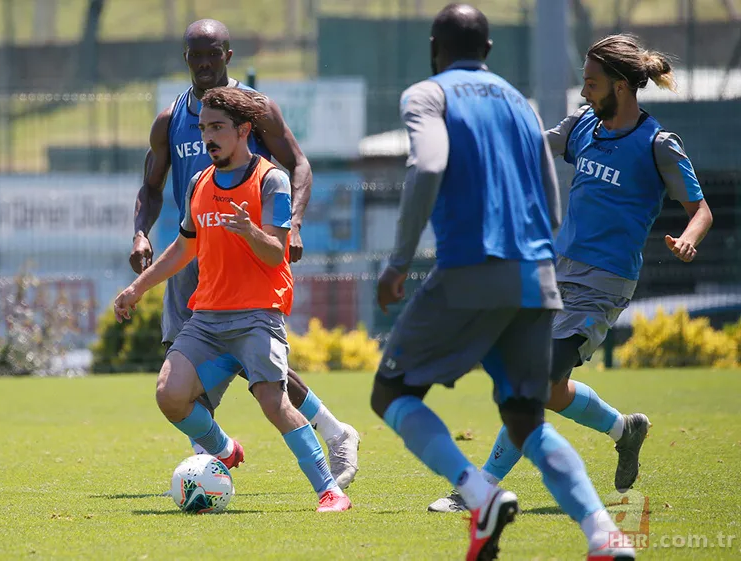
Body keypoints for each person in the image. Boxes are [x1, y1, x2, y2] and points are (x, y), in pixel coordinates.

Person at [370, 4, 635, 560]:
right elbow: (550, 193)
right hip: (537, 275)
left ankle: (479, 495)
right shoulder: (519, 101)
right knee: (526, 419)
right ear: (488, 51)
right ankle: (603, 534)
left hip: (470, 270)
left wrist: (398, 263)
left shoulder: (428, 94)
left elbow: (428, 166)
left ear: (434, 48)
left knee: (391, 392)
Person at [429, 33, 713, 515]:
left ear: (620, 86)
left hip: (603, 285)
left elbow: (700, 209)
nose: (583, 91)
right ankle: (625, 429)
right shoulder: (583, 124)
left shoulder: (657, 144)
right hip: (556, 273)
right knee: (550, 388)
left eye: (591, 83)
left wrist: (689, 238)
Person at [128, 19, 359, 488]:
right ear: (186, 59)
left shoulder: (253, 109)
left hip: (247, 253)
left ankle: (330, 435)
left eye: (214, 53)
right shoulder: (170, 119)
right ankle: (216, 464)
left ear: (229, 56)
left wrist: (293, 225)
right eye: (196, 55)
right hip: (193, 254)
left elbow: (298, 164)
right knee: (185, 366)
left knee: (261, 371)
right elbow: (150, 186)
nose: (205, 63)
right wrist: (140, 234)